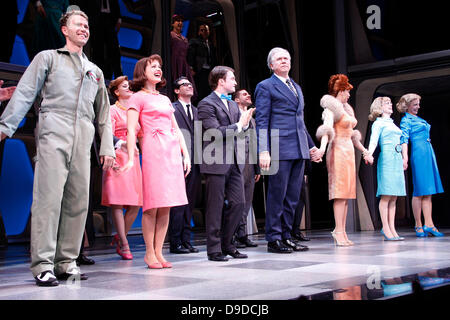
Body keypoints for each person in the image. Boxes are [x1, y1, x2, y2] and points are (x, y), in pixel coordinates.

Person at [0, 9, 115, 286]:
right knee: (48, 200)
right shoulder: (48, 58)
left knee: (78, 203)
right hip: (54, 132)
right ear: (65, 29)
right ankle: (43, 263)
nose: (84, 29)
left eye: (87, 25)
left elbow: (104, 116)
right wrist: (5, 126)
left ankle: (66, 261)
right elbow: (26, 92)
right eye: (78, 24)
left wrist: (107, 147)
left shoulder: (95, 72)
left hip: (83, 138)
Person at [122, 55, 191, 269]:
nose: (158, 69)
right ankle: (149, 253)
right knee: (152, 206)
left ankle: (160, 252)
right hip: (153, 150)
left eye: (160, 66)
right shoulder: (137, 98)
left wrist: (185, 154)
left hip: (170, 150)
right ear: (143, 71)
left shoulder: (164, 99)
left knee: (166, 206)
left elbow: (176, 129)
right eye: (153, 66)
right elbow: (131, 129)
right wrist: (132, 154)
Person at [255, 47, 319, 254]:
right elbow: (262, 120)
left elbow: (300, 122)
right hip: (279, 148)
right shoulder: (265, 86)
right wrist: (263, 150)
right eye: (279, 59)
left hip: (298, 148)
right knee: (277, 195)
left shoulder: (296, 87)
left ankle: (287, 235)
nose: (284, 61)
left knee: (293, 196)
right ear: (271, 65)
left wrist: (311, 145)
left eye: (286, 58)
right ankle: (273, 238)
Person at [198, 66, 254, 262]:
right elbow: (215, 132)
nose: (235, 83)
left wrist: (244, 125)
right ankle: (214, 249)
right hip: (215, 161)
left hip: (235, 162)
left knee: (239, 203)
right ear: (221, 81)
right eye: (232, 79)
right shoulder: (206, 104)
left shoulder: (232, 106)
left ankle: (228, 244)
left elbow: (237, 132)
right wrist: (240, 125)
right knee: (215, 206)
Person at [316, 74, 369, 246]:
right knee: (339, 193)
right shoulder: (332, 108)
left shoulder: (347, 108)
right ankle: (338, 230)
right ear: (340, 90)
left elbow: (353, 135)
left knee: (346, 194)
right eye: (347, 91)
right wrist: (322, 149)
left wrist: (363, 150)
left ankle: (342, 230)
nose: (348, 95)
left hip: (348, 151)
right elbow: (327, 129)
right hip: (337, 150)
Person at [102, 76, 143, 259]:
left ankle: (120, 236)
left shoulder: (135, 111)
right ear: (117, 92)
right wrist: (122, 143)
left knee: (135, 204)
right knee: (117, 202)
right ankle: (125, 245)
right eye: (125, 87)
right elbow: (106, 133)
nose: (129, 89)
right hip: (118, 155)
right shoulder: (111, 110)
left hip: (134, 157)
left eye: (130, 87)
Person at [397, 94, 444, 237]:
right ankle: (418, 224)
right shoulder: (406, 120)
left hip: (428, 153)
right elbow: (404, 140)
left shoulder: (418, 119)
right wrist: (404, 157)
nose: (418, 107)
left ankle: (429, 224)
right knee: (419, 191)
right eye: (415, 104)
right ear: (408, 105)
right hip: (418, 155)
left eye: (418, 104)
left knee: (428, 190)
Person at [364, 97, 406, 241]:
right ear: (380, 107)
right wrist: (368, 153)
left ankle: (392, 228)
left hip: (396, 157)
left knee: (394, 196)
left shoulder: (392, 123)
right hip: (387, 158)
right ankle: (385, 227)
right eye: (387, 103)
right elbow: (373, 140)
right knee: (386, 194)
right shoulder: (378, 123)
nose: (390, 105)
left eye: (390, 103)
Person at [169, 76, 201, 254]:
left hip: (195, 161)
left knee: (190, 202)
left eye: (190, 84)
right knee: (178, 203)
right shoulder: (172, 109)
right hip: (177, 159)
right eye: (184, 85)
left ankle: (186, 240)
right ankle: (175, 241)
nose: (189, 86)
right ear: (176, 90)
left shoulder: (197, 111)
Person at [233, 89, 260, 248]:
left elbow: (255, 143)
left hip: (250, 163)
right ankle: (234, 234)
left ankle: (242, 234)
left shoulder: (253, 120)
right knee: (238, 200)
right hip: (237, 162)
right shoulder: (234, 115)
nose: (248, 96)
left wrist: (256, 168)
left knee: (247, 201)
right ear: (236, 100)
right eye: (244, 94)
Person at [89, 0, 122, 80]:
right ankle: (98, 76)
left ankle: (118, 77)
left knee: (114, 49)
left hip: (110, 20)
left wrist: (119, 20)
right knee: (97, 49)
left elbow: (116, 6)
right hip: (96, 21)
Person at [187, 23, 217, 102]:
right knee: (199, 89)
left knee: (208, 88)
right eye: (202, 30)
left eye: (206, 30)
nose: (204, 32)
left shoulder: (210, 44)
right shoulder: (195, 42)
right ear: (199, 32)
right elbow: (191, 55)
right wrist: (191, 68)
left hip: (209, 70)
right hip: (199, 69)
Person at [170, 15, 195, 93]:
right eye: (177, 21)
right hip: (174, 62)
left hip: (183, 64)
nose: (180, 23)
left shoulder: (185, 39)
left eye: (181, 21)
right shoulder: (170, 35)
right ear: (172, 24)